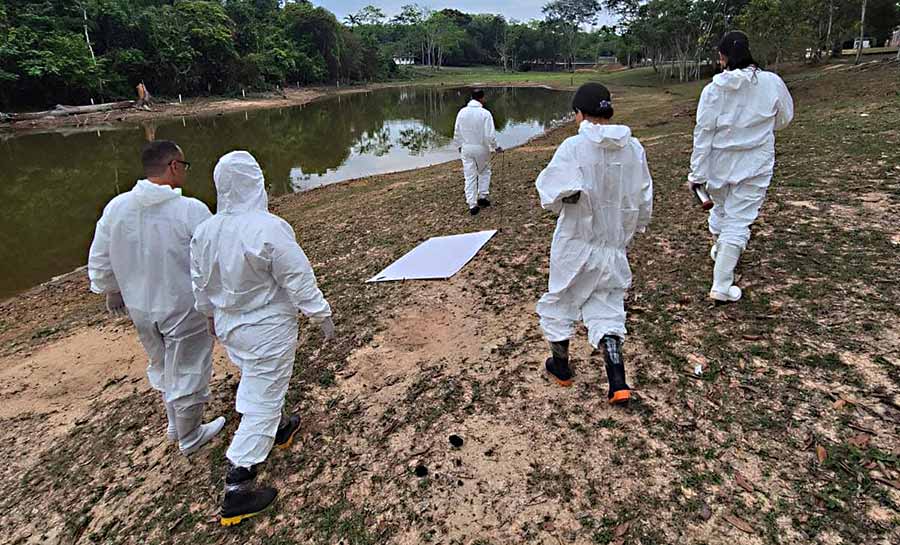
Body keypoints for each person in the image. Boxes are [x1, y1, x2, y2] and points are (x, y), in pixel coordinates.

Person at [190, 151, 335, 526]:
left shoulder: (206, 230)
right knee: (263, 394)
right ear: (256, 182)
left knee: (261, 380)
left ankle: (281, 425)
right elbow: (297, 276)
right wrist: (321, 314)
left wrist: (209, 315)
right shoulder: (267, 227)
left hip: (229, 325)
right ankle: (239, 482)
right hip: (266, 326)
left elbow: (199, 282)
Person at [88, 140, 225, 455]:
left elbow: (100, 258)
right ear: (174, 166)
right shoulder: (190, 210)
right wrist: (213, 305)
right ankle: (190, 435)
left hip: (140, 307)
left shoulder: (116, 208)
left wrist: (112, 290)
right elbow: (211, 262)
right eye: (185, 166)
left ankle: (176, 423)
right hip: (182, 307)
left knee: (163, 364)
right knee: (189, 368)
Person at [534, 83, 653, 405]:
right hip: (613, 244)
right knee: (608, 303)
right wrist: (632, 229)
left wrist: (568, 200)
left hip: (575, 243)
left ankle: (560, 367)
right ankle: (617, 382)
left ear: (579, 114)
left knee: (561, 300)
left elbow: (550, 194)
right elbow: (643, 200)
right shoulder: (634, 149)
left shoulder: (573, 147)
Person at [689, 31, 794, 303]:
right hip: (755, 163)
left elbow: (703, 134)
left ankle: (720, 256)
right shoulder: (771, 82)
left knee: (723, 210)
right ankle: (722, 280)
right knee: (738, 219)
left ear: (722, 57)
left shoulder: (712, 90)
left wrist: (697, 174)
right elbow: (784, 118)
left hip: (718, 165)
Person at [453, 88, 502, 216]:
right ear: (482, 98)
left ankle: (472, 204)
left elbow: (457, 131)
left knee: (469, 176)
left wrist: (458, 145)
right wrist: (496, 147)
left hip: (466, 147)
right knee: (484, 171)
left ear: (471, 97)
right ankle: (482, 196)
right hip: (481, 147)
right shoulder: (485, 113)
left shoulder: (461, 112)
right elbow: (489, 135)